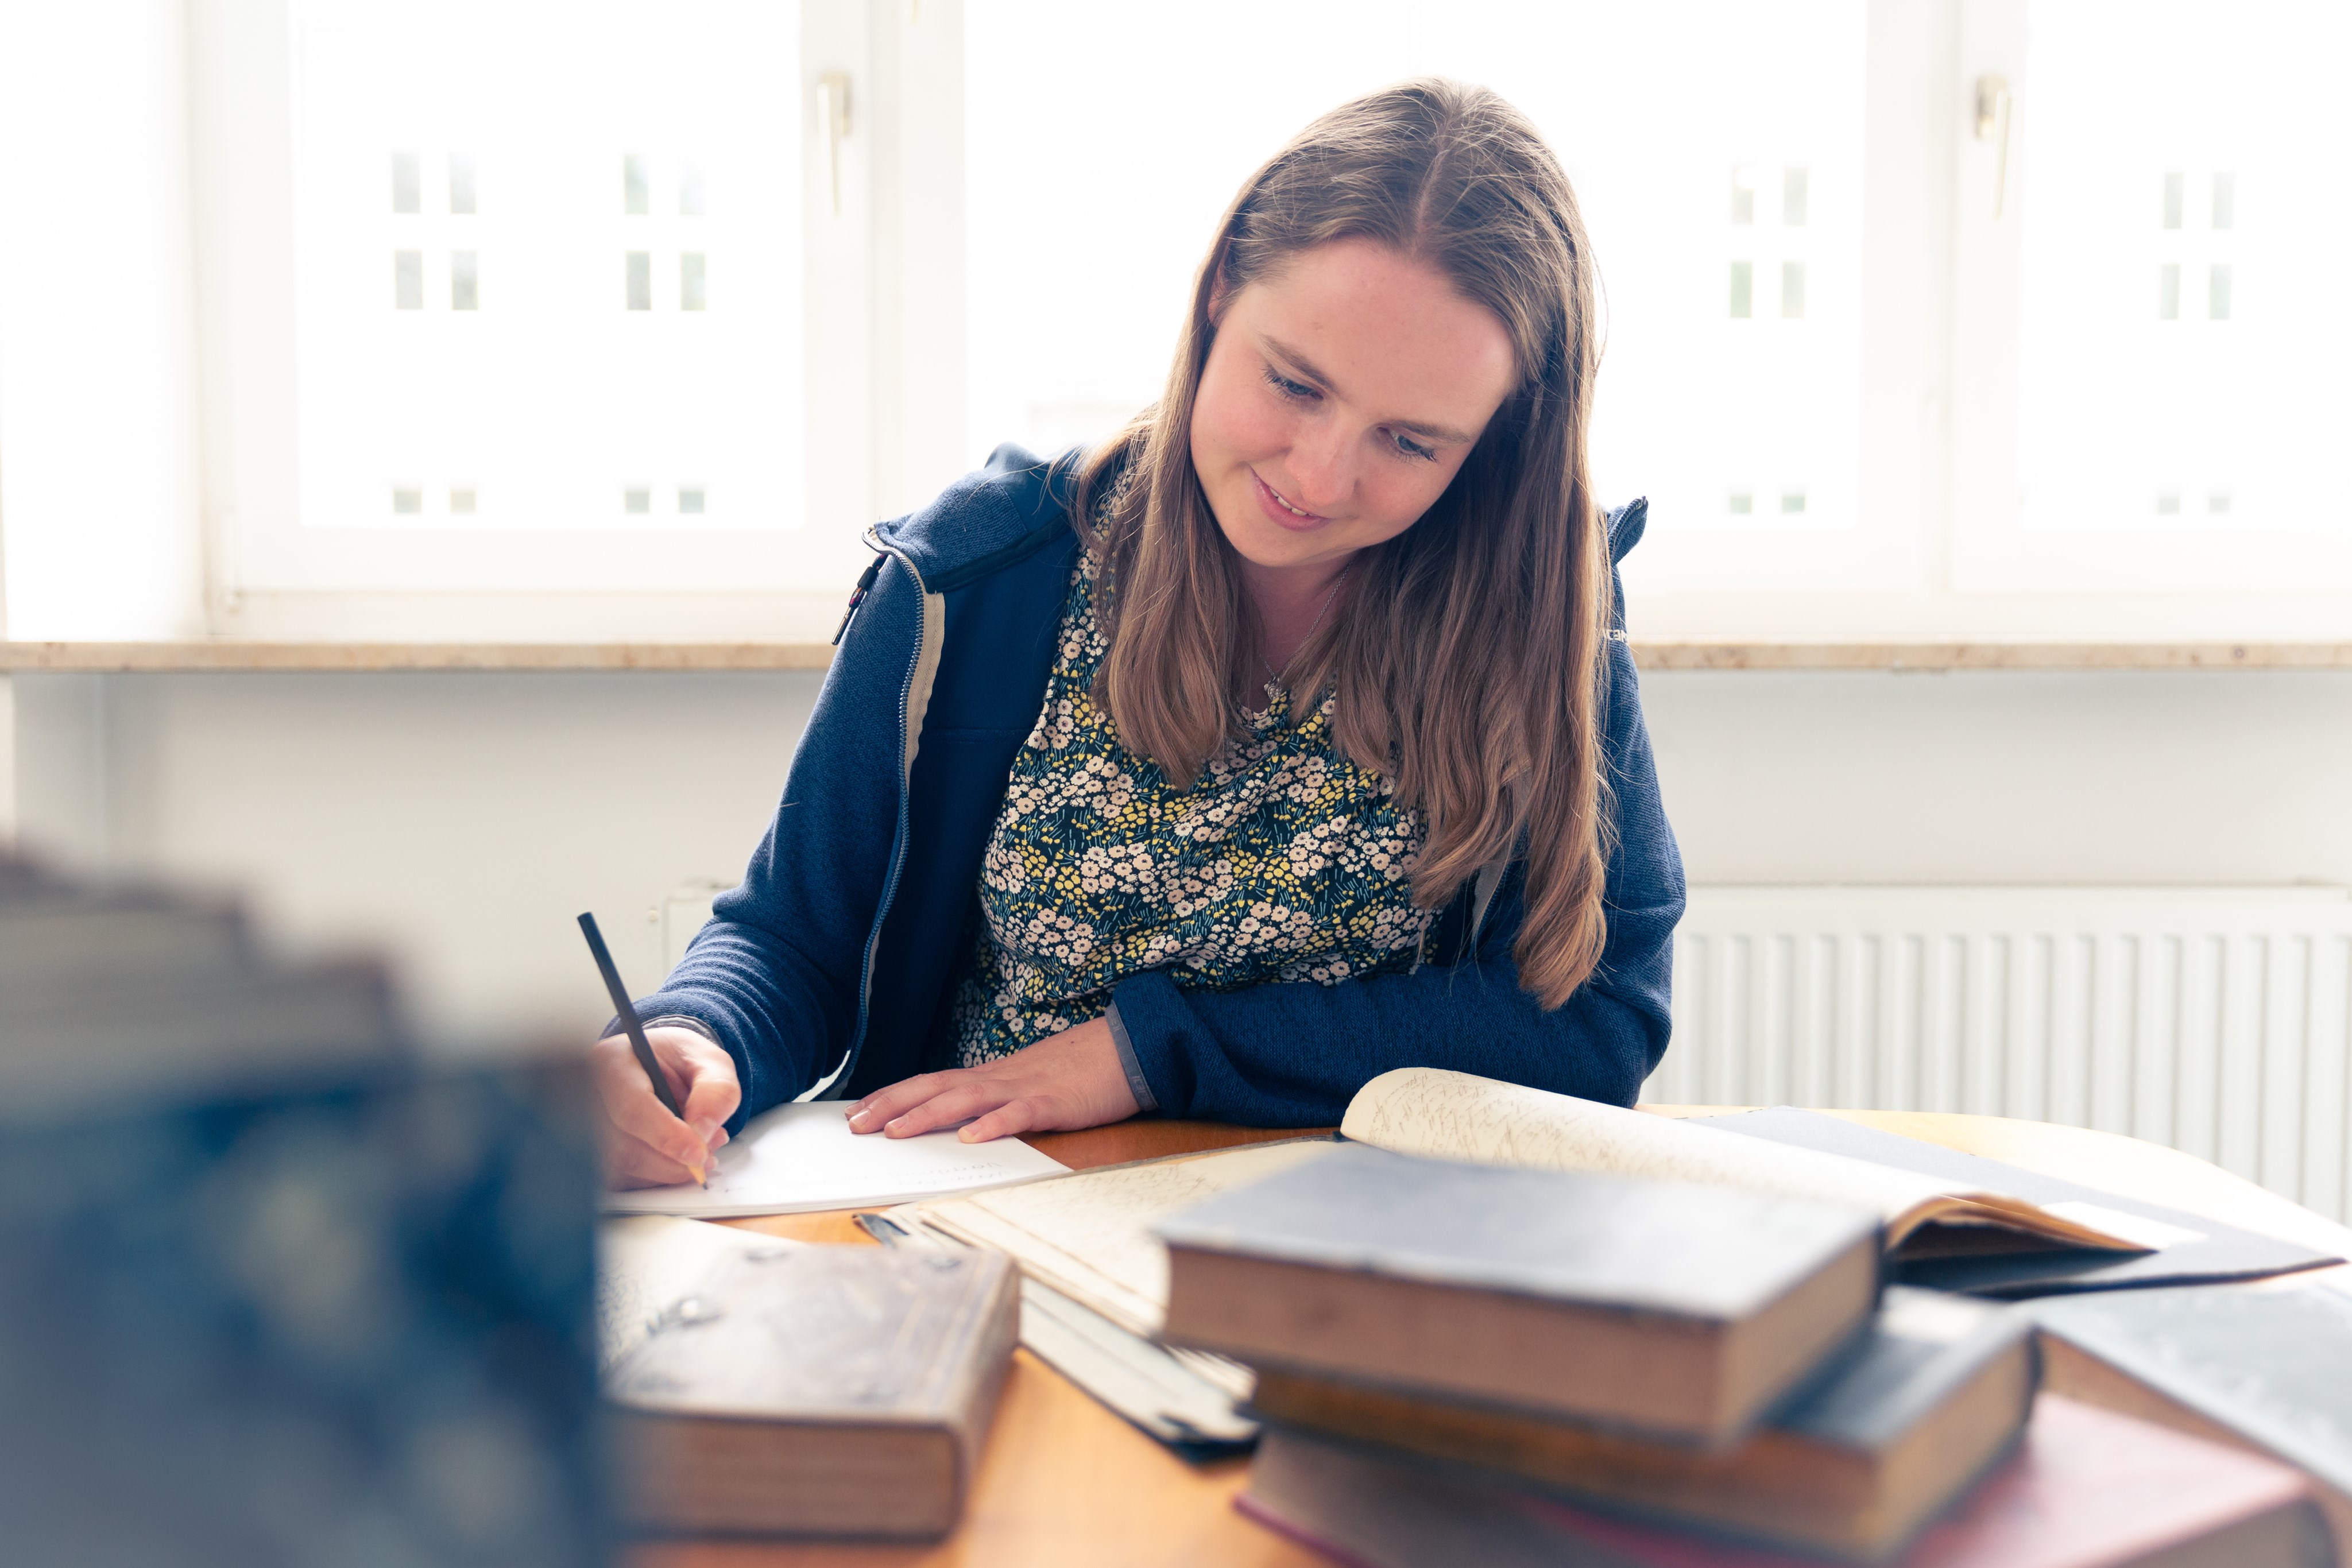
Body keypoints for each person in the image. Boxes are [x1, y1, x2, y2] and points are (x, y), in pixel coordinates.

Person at [595, 78, 1685, 1188]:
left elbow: (1596, 1025)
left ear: (1499, 440)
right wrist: (696, 1036)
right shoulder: (981, 573)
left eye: (1411, 442)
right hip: (974, 1207)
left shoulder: (1544, 611)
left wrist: (1147, 1055)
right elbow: (795, 938)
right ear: (1218, 293)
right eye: (1294, 383)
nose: (1319, 478)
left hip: (1368, 1237)